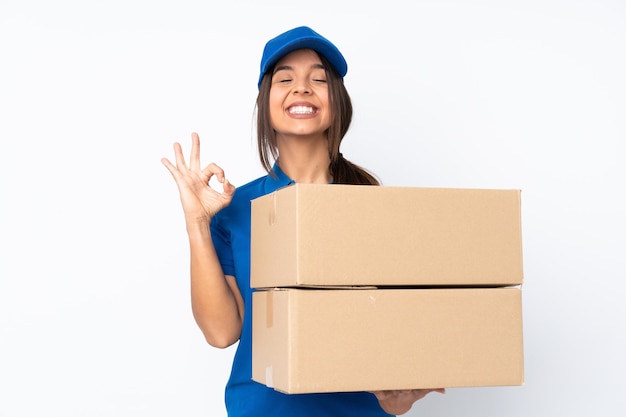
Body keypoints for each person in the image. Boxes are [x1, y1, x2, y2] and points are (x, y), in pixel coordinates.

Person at [161, 26, 445, 416]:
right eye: (285, 79)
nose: (302, 88)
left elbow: (390, 330)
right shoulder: (236, 207)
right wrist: (197, 222)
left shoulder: (373, 206)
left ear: (338, 103)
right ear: (266, 104)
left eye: (318, 79)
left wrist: (400, 397)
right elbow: (221, 332)